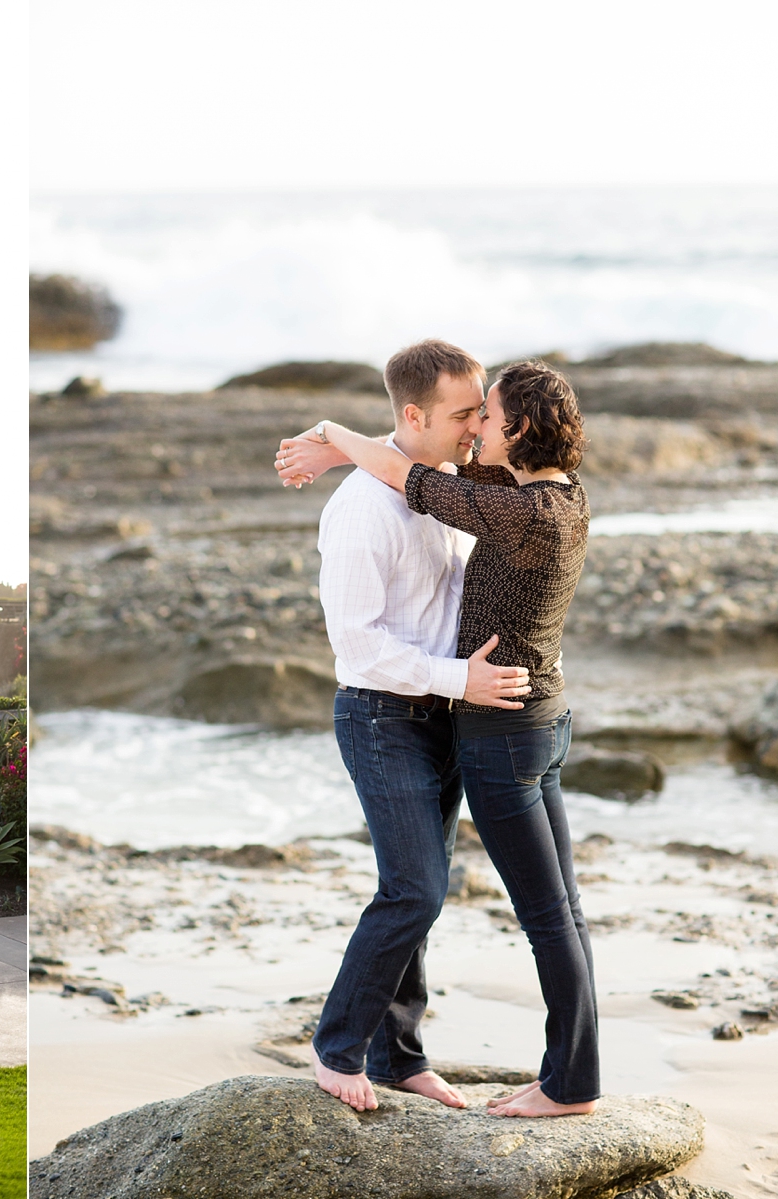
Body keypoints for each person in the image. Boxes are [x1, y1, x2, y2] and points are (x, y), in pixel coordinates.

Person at [277, 355, 595, 1118]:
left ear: (512, 429)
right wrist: (339, 444)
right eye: (463, 414)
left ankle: (400, 1055)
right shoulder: (363, 510)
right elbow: (359, 649)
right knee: (415, 889)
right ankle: (337, 1048)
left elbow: (444, 517)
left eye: (483, 416)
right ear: (415, 416)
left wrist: (334, 435)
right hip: (386, 715)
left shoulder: (485, 492)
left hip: (458, 717)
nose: (474, 428)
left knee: (421, 890)